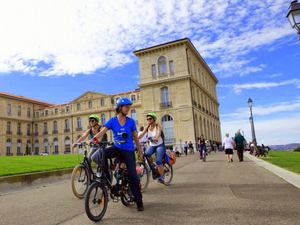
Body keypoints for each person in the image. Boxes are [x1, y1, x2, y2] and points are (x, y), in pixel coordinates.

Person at [88, 97, 144, 211]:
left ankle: (139, 202)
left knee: (133, 176)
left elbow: (136, 139)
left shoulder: (131, 122)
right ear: (119, 107)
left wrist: (140, 152)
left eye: (129, 106)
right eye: (126, 106)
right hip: (117, 148)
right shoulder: (113, 121)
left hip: (128, 151)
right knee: (100, 154)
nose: (128, 108)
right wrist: (93, 139)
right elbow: (102, 132)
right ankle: (106, 178)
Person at [138, 112, 166, 183]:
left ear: (154, 119)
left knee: (158, 160)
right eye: (147, 119)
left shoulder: (157, 126)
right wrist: (135, 139)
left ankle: (162, 177)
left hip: (159, 145)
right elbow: (142, 134)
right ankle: (153, 166)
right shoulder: (147, 127)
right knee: (147, 154)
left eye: (150, 119)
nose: (148, 120)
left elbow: (159, 133)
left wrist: (156, 138)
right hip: (152, 145)